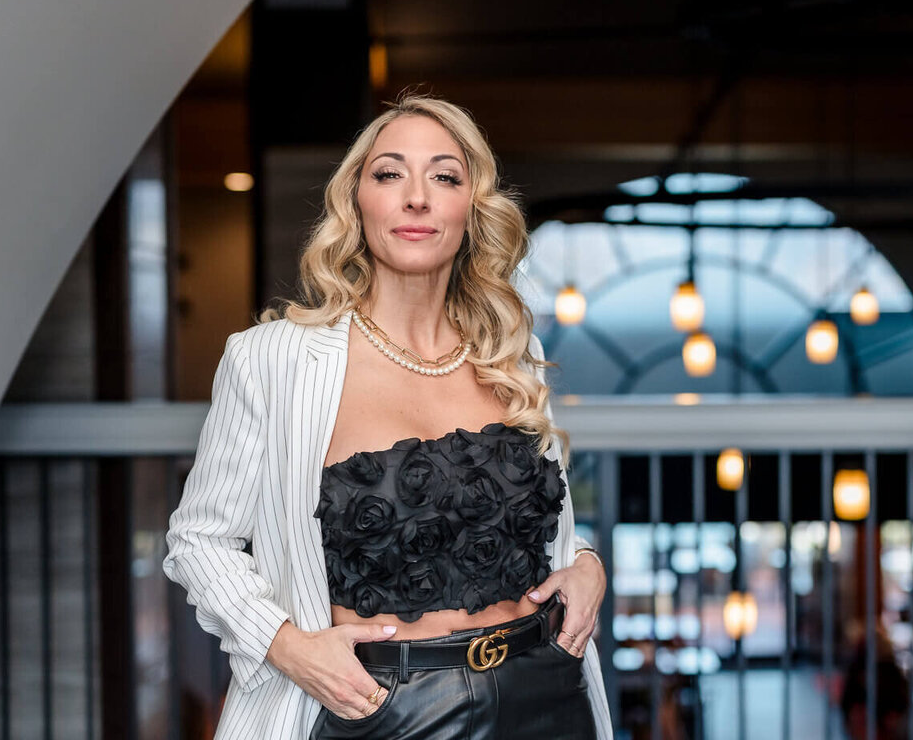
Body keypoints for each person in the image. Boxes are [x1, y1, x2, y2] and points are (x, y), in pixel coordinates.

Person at [163, 93, 614, 740]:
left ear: (471, 209)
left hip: (544, 688)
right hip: (383, 709)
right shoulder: (273, 360)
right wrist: (286, 645)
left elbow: (546, 528)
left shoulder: (513, 353)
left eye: (445, 176)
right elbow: (199, 540)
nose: (417, 197)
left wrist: (588, 562)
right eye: (390, 173)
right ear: (357, 201)